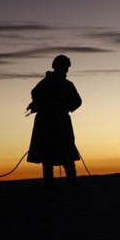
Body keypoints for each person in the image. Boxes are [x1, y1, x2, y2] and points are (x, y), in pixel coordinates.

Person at [26, 55, 82, 187]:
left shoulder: (55, 84)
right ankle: (58, 182)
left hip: (54, 121)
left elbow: (77, 102)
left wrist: (64, 108)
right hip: (50, 122)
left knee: (60, 151)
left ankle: (66, 181)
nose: (66, 70)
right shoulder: (56, 84)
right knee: (51, 152)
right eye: (64, 67)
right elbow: (35, 94)